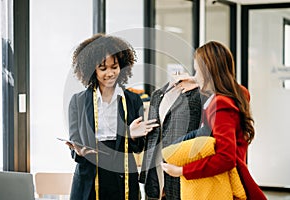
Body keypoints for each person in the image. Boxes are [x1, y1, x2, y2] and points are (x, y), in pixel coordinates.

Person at [161, 41, 267, 200]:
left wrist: (182, 171)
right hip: (229, 180)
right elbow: (240, 91)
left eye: (197, 71)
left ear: (208, 71)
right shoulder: (235, 96)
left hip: (226, 184)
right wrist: (197, 81)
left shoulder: (220, 105)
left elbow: (226, 158)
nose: (195, 75)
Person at [66, 33, 159, 200]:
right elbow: (75, 144)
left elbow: (138, 148)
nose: (110, 73)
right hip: (89, 178)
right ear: (92, 70)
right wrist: (78, 151)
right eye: (103, 68)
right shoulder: (77, 102)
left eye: (114, 67)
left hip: (121, 175)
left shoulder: (133, 100)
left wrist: (131, 135)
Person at [139, 71, 202, 200]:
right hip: (155, 165)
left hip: (179, 165)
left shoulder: (197, 95)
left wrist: (198, 83)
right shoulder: (157, 95)